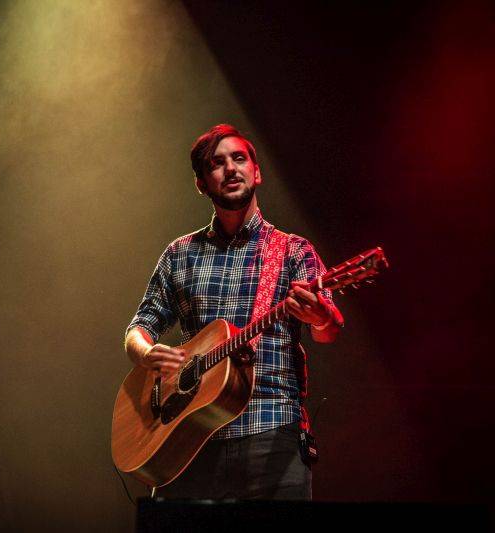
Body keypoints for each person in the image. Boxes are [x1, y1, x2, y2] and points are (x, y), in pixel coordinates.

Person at [124, 124, 343, 499]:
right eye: (216, 163)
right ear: (202, 184)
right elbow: (138, 328)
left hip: (271, 433)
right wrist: (147, 354)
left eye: (239, 158)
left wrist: (319, 316)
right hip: (188, 440)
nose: (230, 169)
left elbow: (329, 329)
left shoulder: (292, 250)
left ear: (256, 171)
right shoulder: (180, 253)